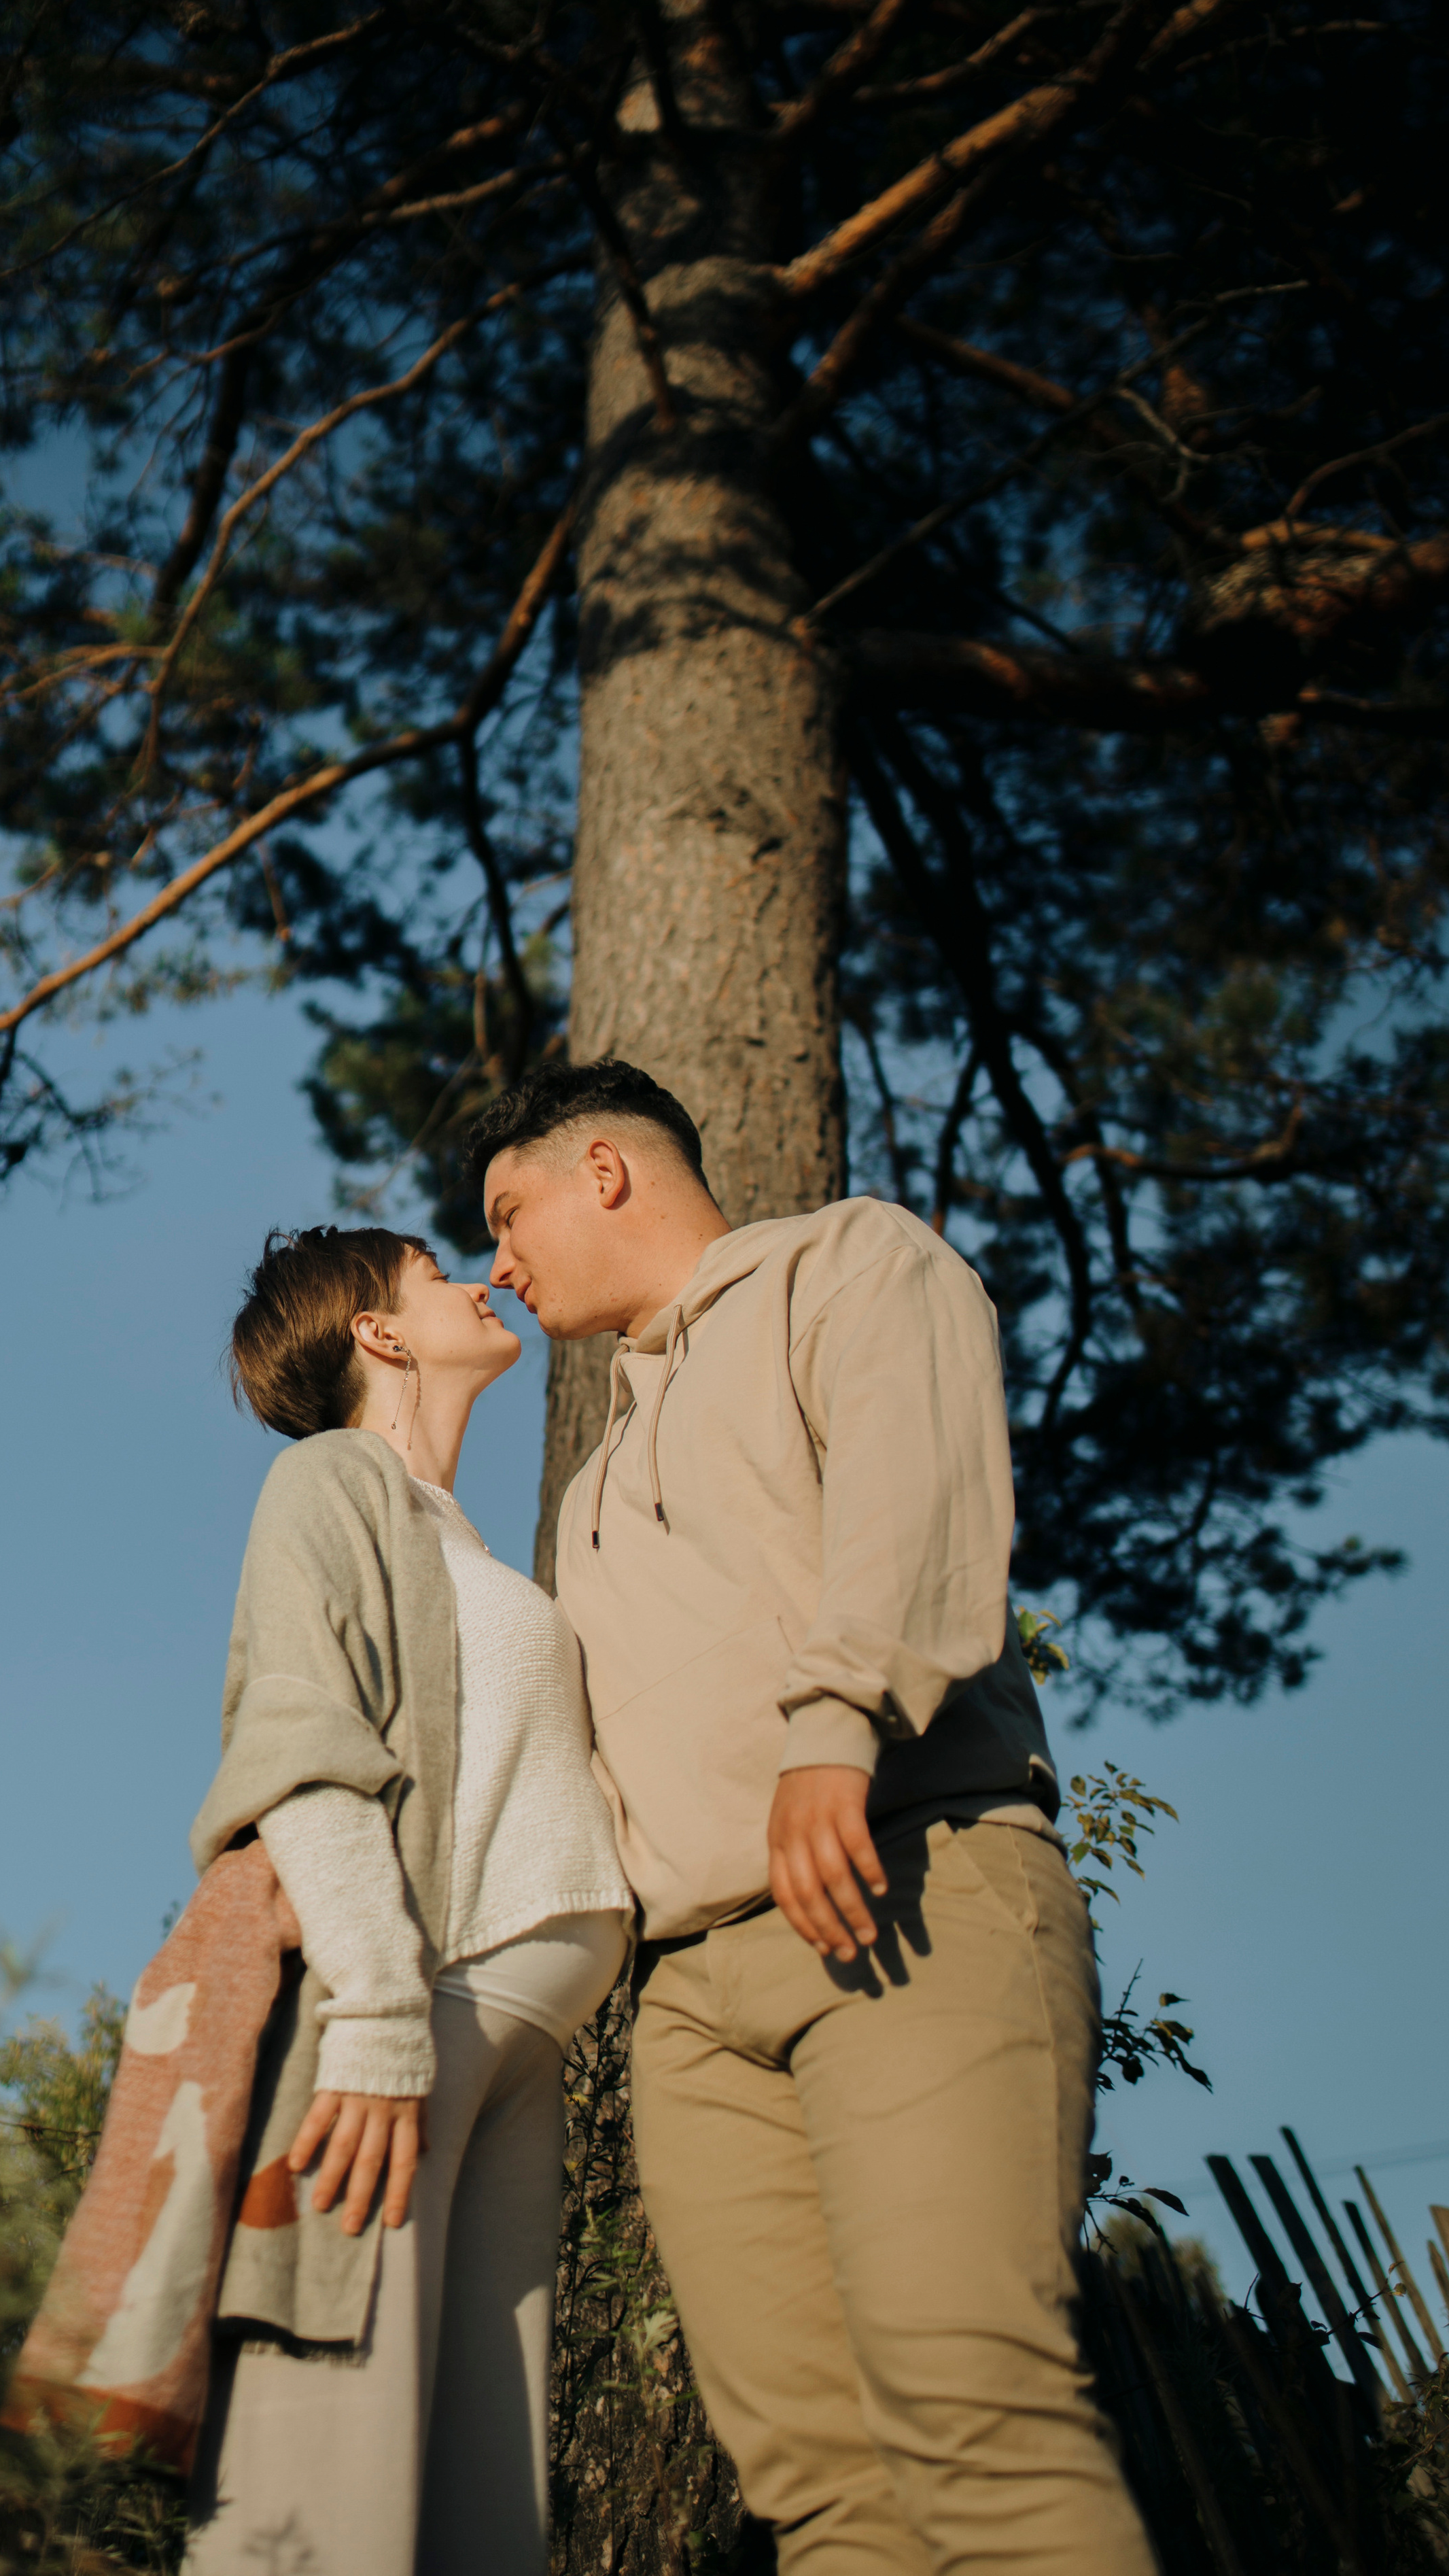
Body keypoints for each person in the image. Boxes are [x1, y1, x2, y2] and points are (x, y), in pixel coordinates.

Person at [469, 1062, 1157, 2576]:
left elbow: (915, 1501)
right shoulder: (585, 1497)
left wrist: (829, 1727)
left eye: (505, 1212)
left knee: (970, 2408)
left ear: (601, 1170)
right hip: (692, 2015)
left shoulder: (849, 1262)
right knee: (820, 2498)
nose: (495, 1264)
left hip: (906, 1894)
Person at [183, 1224, 631, 2576]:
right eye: (442, 1273)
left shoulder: (463, 1537)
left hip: (511, 2050)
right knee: (324, 2482)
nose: (484, 1281)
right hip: (400, 2025)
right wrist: (377, 2013)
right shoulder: (330, 1484)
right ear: (378, 1333)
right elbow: (298, 1748)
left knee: (478, 2507)